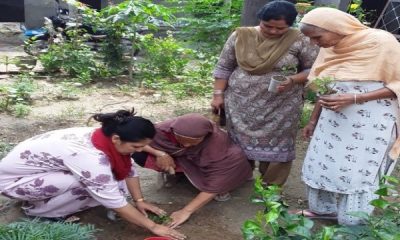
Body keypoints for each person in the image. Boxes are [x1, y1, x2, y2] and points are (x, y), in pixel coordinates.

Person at [0, 109, 186, 240]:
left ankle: (44, 201)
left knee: (108, 179)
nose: (138, 151)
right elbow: (113, 201)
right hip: (14, 183)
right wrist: (153, 227)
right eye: (136, 147)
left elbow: (128, 167)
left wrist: (139, 200)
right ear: (116, 139)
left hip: (37, 173)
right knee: (92, 185)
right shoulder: (89, 157)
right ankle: (40, 212)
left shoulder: (103, 137)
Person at [299, 7, 400, 225]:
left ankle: (354, 222)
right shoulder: (331, 48)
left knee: (358, 169)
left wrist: (354, 98)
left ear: (336, 28)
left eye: (317, 37)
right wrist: (313, 120)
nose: (314, 44)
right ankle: (324, 210)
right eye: (310, 39)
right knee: (321, 163)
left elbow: (397, 84)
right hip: (332, 121)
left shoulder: (382, 42)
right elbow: (323, 87)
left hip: (372, 123)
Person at [211, 0, 318, 186]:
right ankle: (239, 177)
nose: (273, 32)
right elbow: (224, 66)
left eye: (280, 28)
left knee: (279, 145)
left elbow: (313, 69)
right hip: (240, 103)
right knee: (237, 143)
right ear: (260, 19)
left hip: (282, 106)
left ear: (290, 25)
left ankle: (272, 188)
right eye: (268, 26)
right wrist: (218, 94)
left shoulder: (300, 39)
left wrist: (292, 79)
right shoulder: (241, 35)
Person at [132, 113, 252, 228]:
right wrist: (160, 153)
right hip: (184, 157)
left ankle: (216, 185)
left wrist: (186, 211)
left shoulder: (217, 146)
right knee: (140, 154)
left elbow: (217, 181)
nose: (187, 145)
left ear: (205, 136)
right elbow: (138, 142)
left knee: (217, 185)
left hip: (215, 166)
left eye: (193, 142)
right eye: (182, 140)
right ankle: (175, 172)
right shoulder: (166, 128)